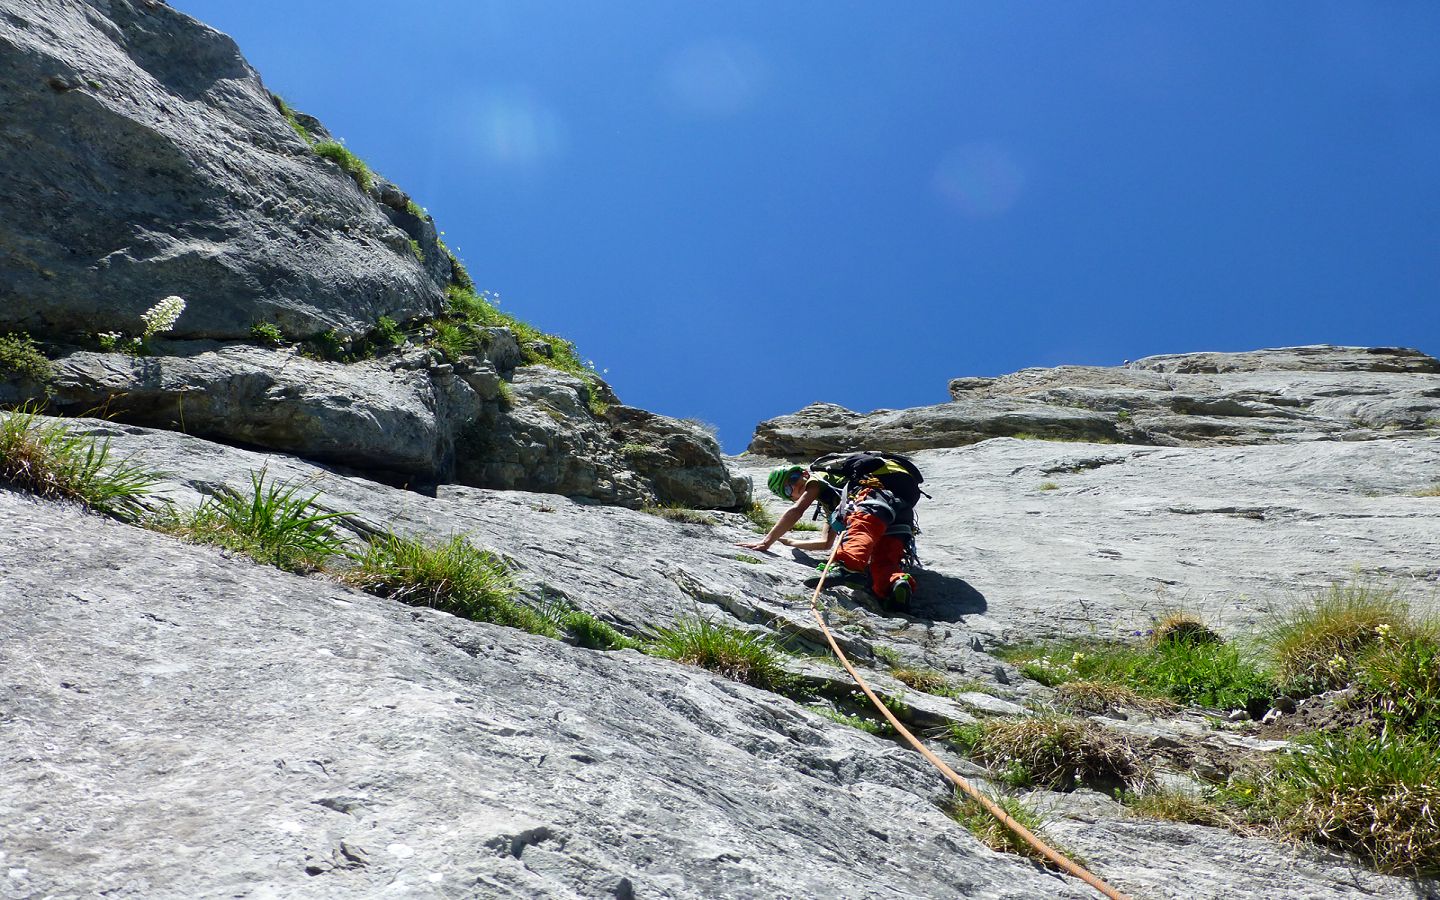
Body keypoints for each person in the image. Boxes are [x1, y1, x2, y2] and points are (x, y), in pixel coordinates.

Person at [737, 462, 916, 608]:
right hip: (897, 513)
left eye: (793, 477)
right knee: (885, 559)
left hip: (870, 500)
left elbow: (797, 510)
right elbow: (825, 542)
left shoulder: (817, 479)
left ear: (804, 473)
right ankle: (895, 585)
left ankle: (848, 567)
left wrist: (766, 542)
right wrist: (791, 542)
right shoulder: (833, 505)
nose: (795, 485)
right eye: (787, 489)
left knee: (859, 530)